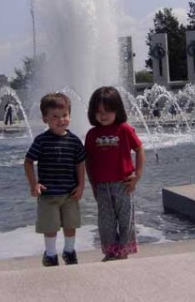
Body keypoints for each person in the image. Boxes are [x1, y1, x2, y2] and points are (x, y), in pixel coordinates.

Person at [24, 92, 86, 267]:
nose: (61, 120)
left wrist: (81, 185)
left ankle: (69, 251)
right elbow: (28, 162)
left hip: (70, 192)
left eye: (65, 115)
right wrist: (33, 183)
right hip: (48, 194)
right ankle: (50, 254)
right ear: (45, 119)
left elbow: (80, 164)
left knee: (70, 224)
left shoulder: (74, 141)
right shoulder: (41, 141)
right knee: (50, 226)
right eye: (55, 117)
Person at [85, 86, 145, 262]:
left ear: (117, 110)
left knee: (126, 220)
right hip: (102, 186)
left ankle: (123, 251)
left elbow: (139, 149)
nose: (103, 116)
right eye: (99, 112)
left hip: (123, 184)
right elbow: (88, 161)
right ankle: (110, 251)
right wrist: (93, 184)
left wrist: (138, 175)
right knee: (106, 222)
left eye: (108, 111)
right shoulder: (92, 134)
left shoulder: (124, 129)